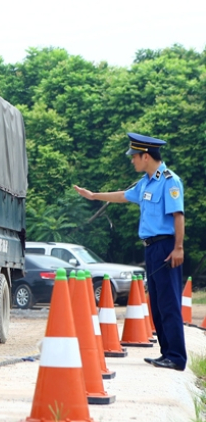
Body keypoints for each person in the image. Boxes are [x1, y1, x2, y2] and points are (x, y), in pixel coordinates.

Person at [74, 132, 186, 371]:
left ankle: (176, 357)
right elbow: (123, 196)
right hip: (152, 248)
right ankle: (166, 353)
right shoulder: (145, 182)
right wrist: (93, 196)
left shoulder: (169, 181)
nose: (132, 161)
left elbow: (178, 215)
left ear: (145, 156)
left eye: (134, 157)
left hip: (167, 247)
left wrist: (179, 248)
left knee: (169, 303)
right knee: (156, 304)